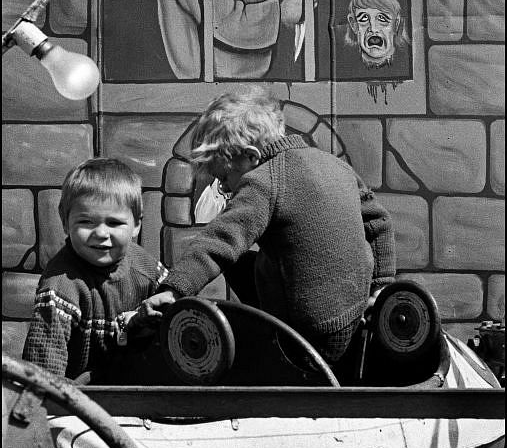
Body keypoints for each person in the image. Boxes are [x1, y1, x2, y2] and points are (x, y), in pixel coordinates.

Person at [133, 87, 396, 370]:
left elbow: (219, 242)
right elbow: (379, 222)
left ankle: (272, 339)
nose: (224, 188)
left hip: (306, 340)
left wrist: (174, 290)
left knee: (235, 262)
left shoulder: (264, 181)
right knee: (252, 262)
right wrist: (380, 288)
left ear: (251, 157)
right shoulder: (335, 165)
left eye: (225, 177)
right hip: (353, 319)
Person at [22, 158, 169, 381]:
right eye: (86, 222)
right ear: (65, 221)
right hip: (78, 396)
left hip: (141, 390)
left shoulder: (147, 269)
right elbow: (44, 375)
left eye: (114, 223)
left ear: (136, 225)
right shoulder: (60, 287)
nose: (101, 233)